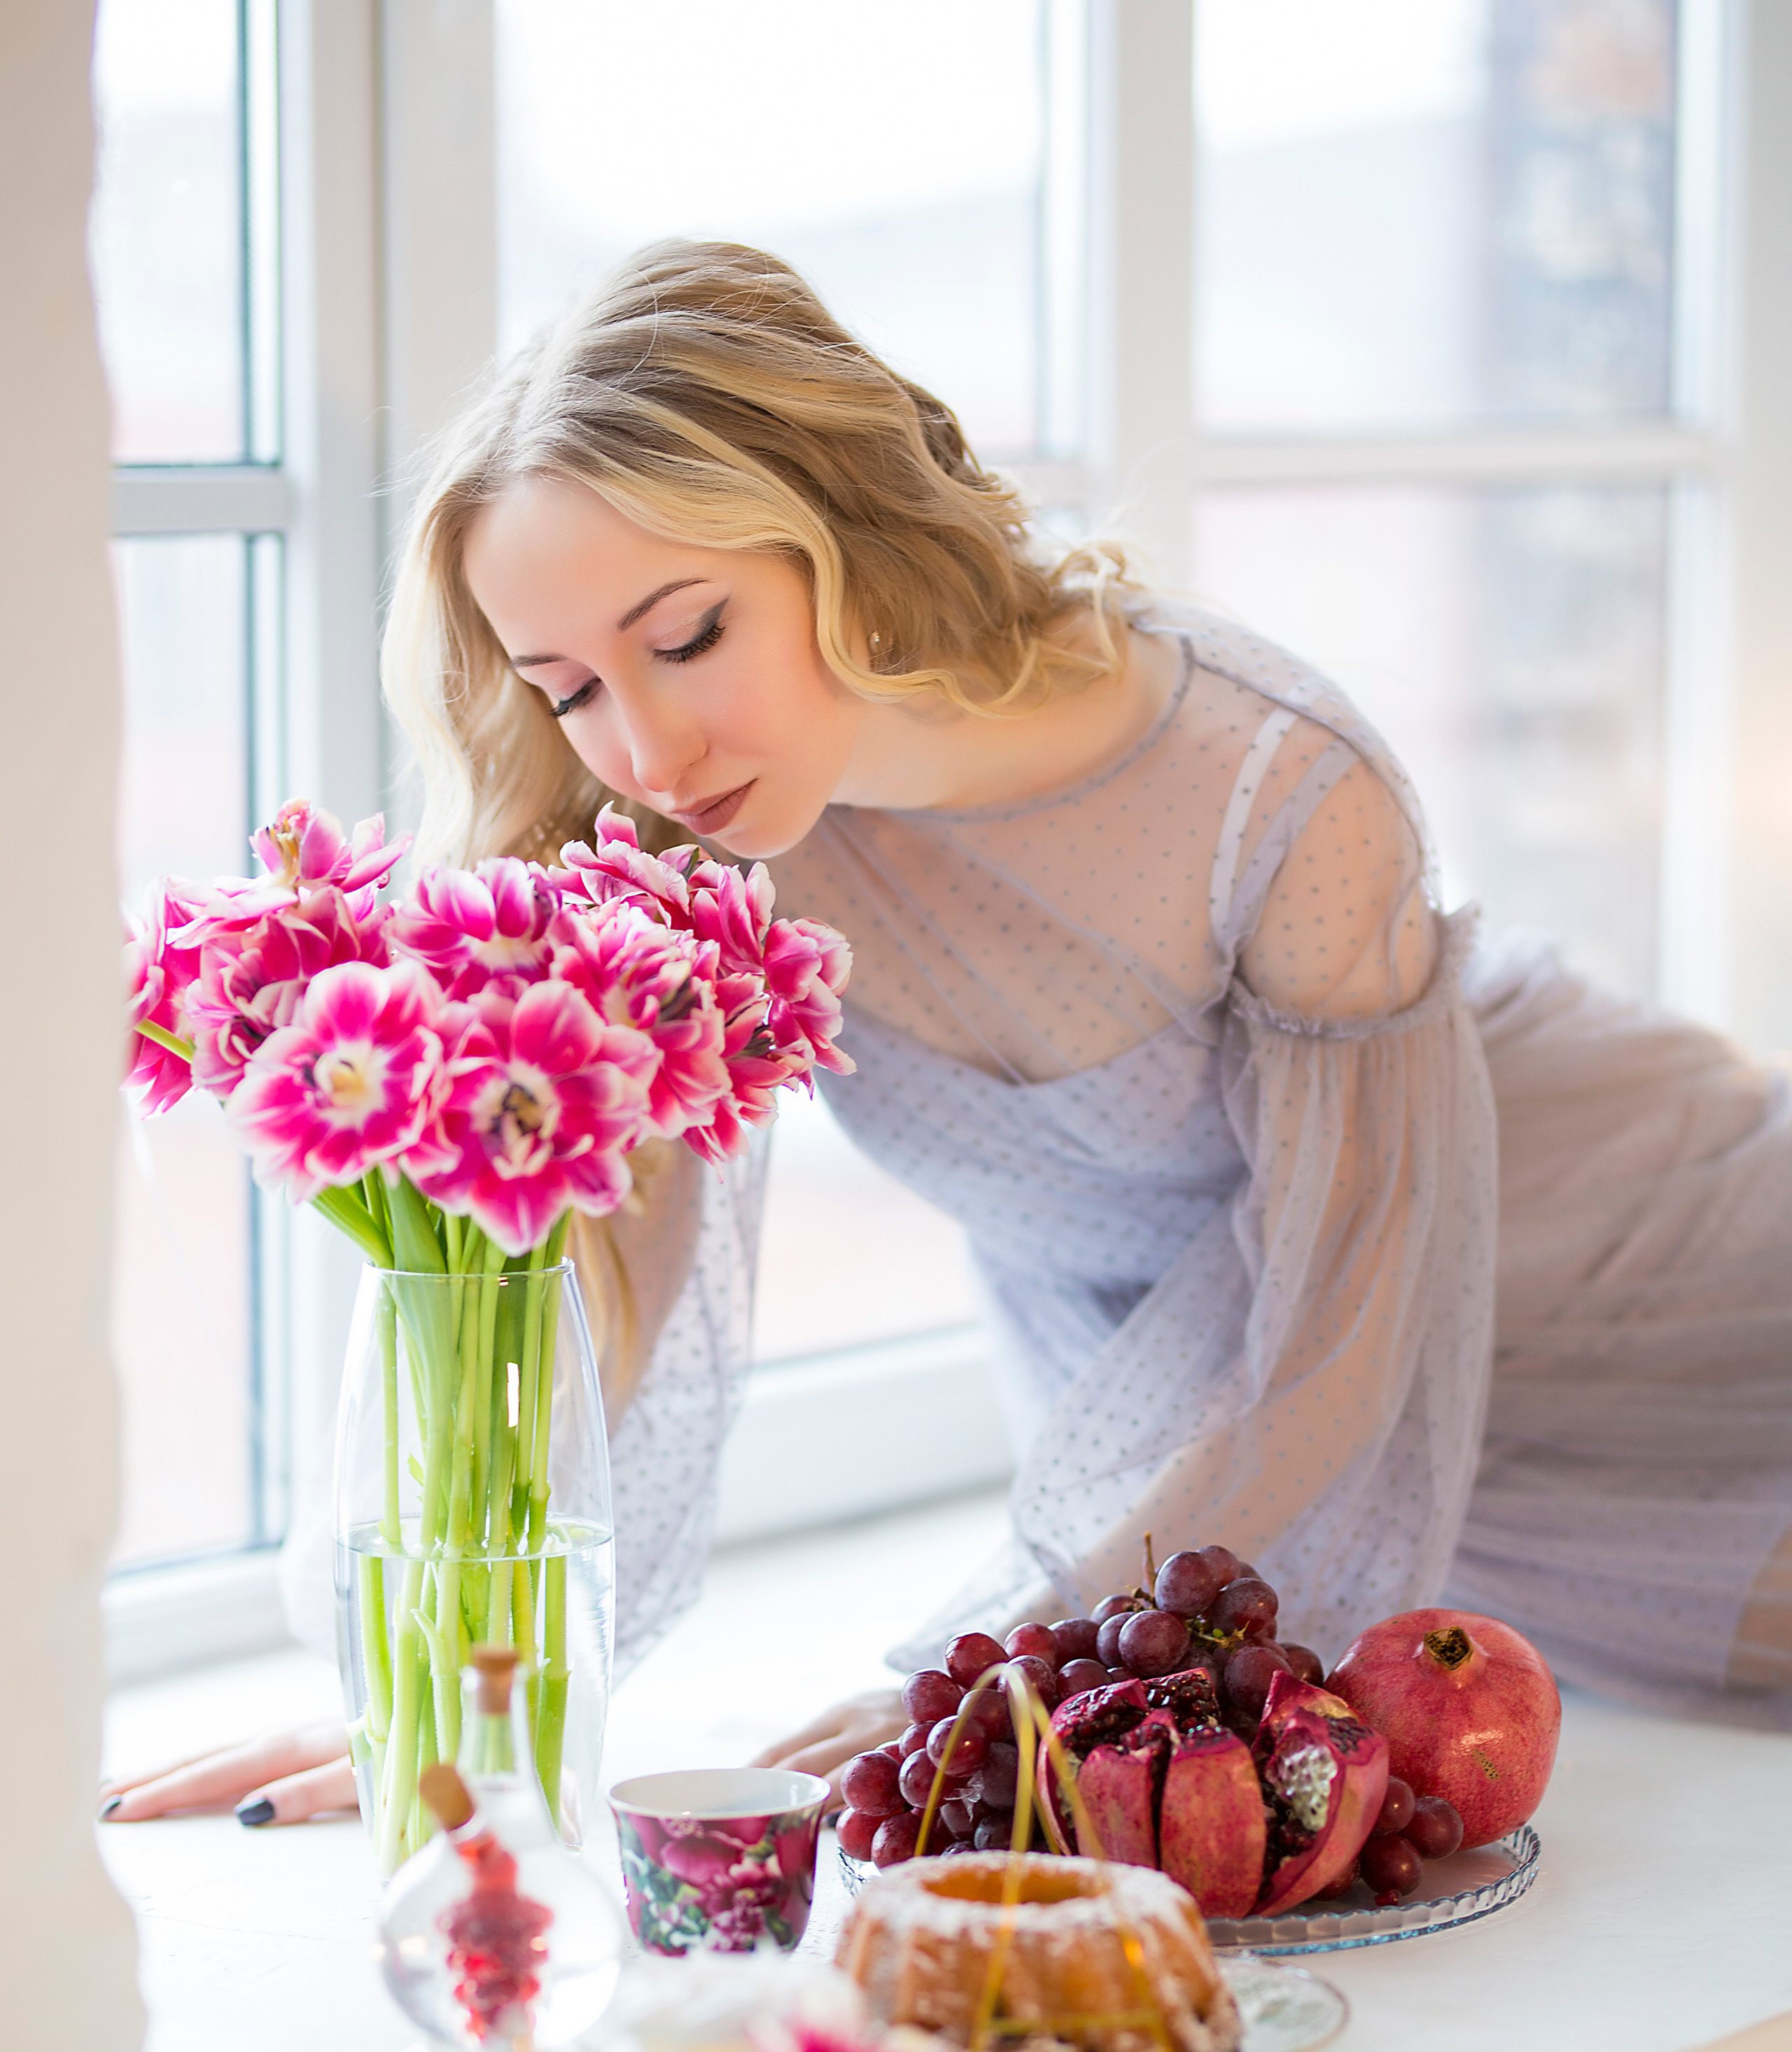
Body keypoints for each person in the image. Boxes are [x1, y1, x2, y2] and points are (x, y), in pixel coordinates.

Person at [103, 240, 1792, 1828]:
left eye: (689, 634)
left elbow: (1345, 1315)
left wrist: (992, 1665)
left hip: (1614, 1262)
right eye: (567, 685)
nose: (643, 742)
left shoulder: (1270, 781)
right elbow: (604, 1276)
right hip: (1219, 1452)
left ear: (847, 536)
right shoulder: (687, 838)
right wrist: (456, 1663)